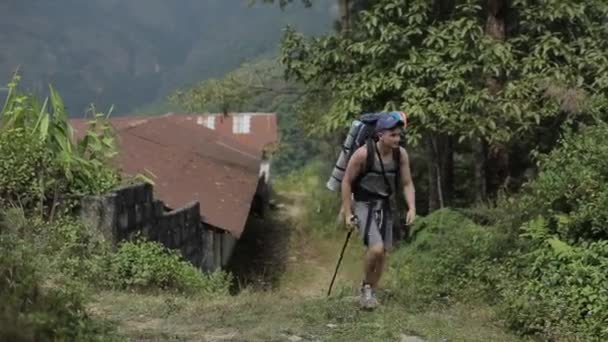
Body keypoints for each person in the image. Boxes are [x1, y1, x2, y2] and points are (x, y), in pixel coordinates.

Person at [341, 112, 416, 309]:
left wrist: (412, 207)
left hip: (385, 205)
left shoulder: (401, 154)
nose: (397, 139)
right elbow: (347, 182)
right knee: (376, 249)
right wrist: (348, 212)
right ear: (380, 135)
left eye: (399, 135)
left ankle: (372, 291)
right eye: (393, 135)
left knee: (383, 253)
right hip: (364, 204)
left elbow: (407, 183)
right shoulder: (363, 154)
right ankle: (365, 287)